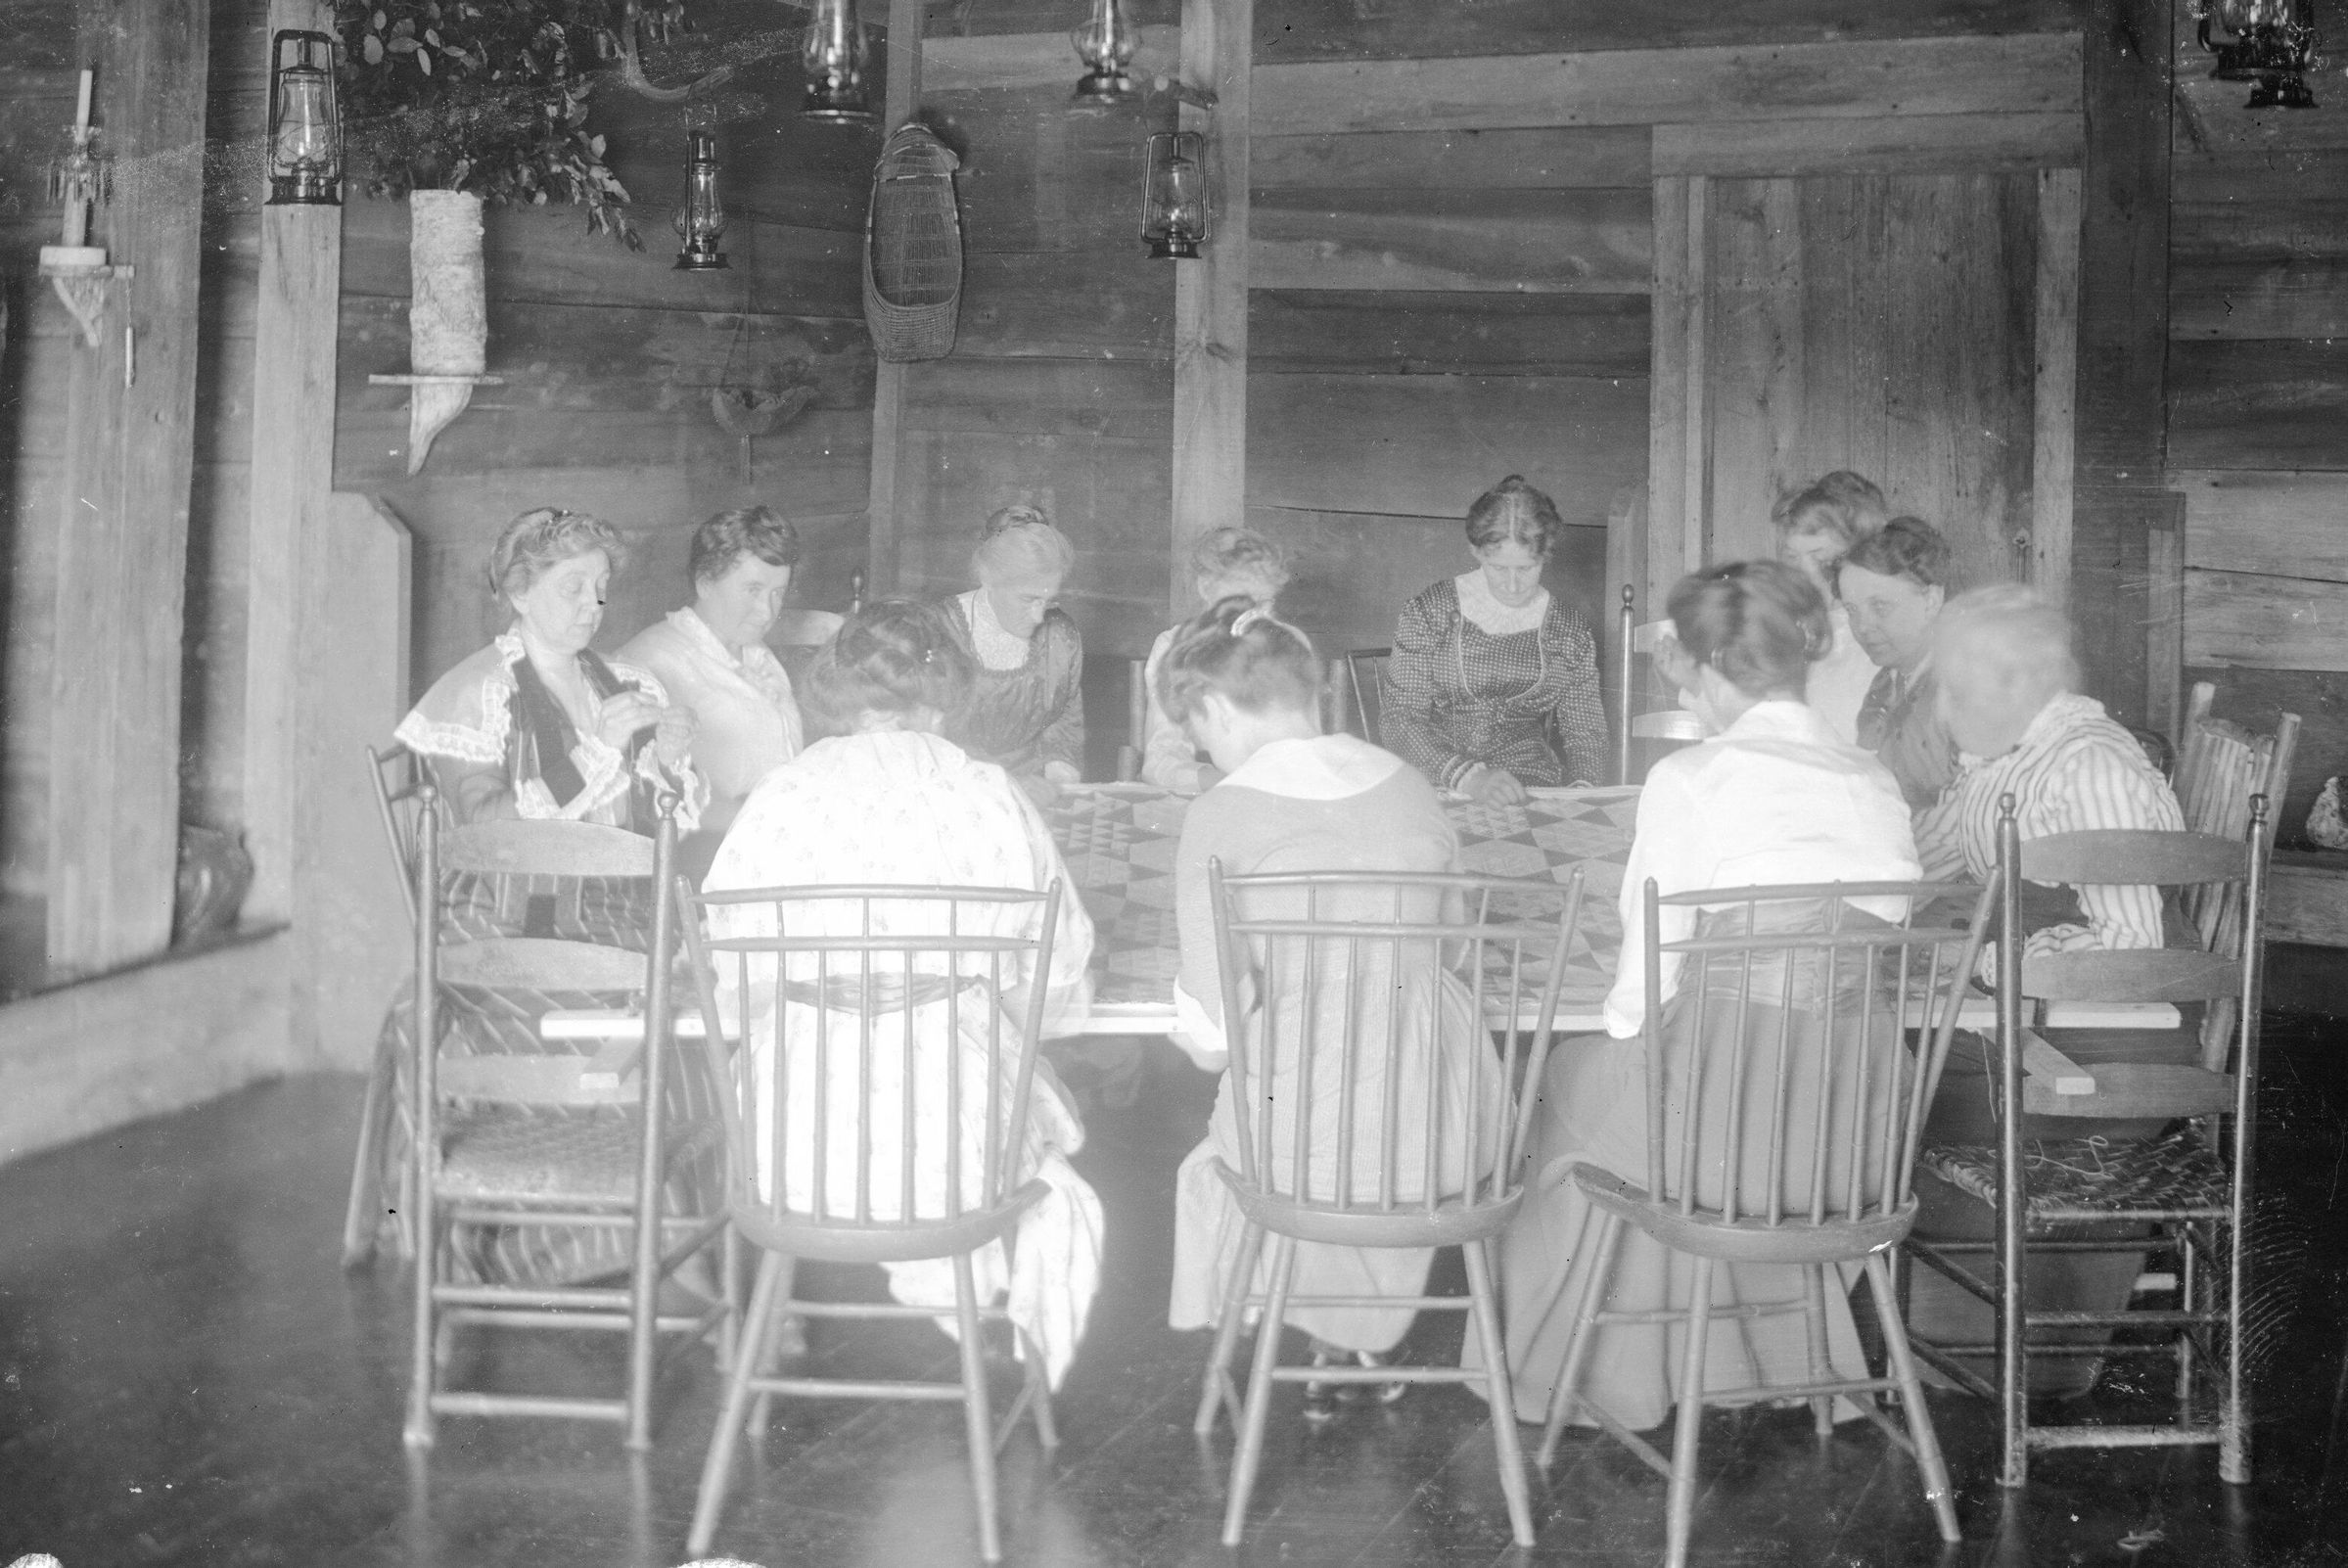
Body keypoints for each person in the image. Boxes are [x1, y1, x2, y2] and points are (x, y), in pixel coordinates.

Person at [1475, 561, 1919, 1430]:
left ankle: (1589, 1375)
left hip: (1712, 1135)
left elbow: (1641, 991)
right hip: (1847, 1137)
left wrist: (1624, 1026)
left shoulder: (1693, 777)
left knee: (1563, 1079)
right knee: (1665, 1098)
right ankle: (1757, 1359)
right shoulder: (1872, 779)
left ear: (1715, 666)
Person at [701, 597, 1103, 1388]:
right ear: (942, 693)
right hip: (956, 1164)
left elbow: (736, 984)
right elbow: (1058, 975)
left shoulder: (782, 794)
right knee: (1021, 1116)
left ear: (840, 693)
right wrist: (985, 1016)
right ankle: (984, 1318)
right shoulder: (986, 793)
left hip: (791, 1159)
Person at [1162, 598, 1506, 1411]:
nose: (1205, 750)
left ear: (1216, 706)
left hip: (1302, 1145)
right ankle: (1356, 1335)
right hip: (1446, 1130)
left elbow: (1212, 1036)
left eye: (1197, 729)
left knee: (1251, 1135)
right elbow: (1453, 948)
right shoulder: (1408, 783)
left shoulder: (1219, 811)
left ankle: (1319, 1324)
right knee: (1354, 1123)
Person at [361, 507, 712, 1285]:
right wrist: (598, 750)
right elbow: (489, 831)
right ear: (519, 593)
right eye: (571, 587)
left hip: (612, 910)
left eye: (600, 586)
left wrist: (669, 763)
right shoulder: (475, 692)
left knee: (701, 1007)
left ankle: (676, 1230)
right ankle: (575, 1244)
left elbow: (661, 822)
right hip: (504, 922)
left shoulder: (625, 682)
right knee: (622, 1021)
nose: (593, 605)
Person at [1906, 584, 2190, 1395]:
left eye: (1956, 688)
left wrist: (2000, 961)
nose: (1942, 708)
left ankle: (2001, 1364)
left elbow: (2132, 954)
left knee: (1899, 1088)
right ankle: (1954, 1347)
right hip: (2048, 1022)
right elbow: (1922, 859)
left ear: (2022, 682)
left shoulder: (2090, 766)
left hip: (2112, 1048)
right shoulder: (2007, 756)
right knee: (1894, 1068)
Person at [1382, 476, 1606, 806]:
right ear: (1477, 551)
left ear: (1546, 555)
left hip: (1528, 783)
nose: (1513, 586)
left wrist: (1581, 793)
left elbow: (1586, 732)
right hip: (1436, 777)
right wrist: (1469, 778)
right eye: (1499, 568)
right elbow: (1399, 718)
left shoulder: (1568, 630)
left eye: (1527, 568)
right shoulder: (1431, 611)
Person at [618, 505, 805, 839]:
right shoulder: (651, 661)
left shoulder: (758, 654)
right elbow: (643, 801)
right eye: (752, 590)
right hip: (706, 848)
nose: (767, 612)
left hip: (777, 837)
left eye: (778, 593)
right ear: (705, 584)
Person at [938, 506, 1085, 803]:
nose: (1039, 616)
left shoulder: (1061, 635)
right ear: (988, 579)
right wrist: (1003, 786)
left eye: (1048, 600)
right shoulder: (940, 629)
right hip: (954, 793)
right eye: (1027, 599)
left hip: (1038, 791)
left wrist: (1058, 780)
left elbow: (1064, 727)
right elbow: (926, 740)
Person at [1139, 528, 1291, 794]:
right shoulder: (1172, 649)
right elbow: (1162, 760)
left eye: (1265, 603)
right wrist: (1222, 782)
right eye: (1242, 601)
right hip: (1207, 791)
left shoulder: (1285, 645)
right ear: (1205, 587)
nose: (1254, 616)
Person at [1841, 516, 1959, 809]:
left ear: (1931, 601)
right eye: (1852, 610)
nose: (1862, 626)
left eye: (1880, 606)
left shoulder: (1964, 688)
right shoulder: (1883, 685)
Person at [1771, 471, 1889, 747]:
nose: (1805, 574)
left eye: (1820, 557)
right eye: (1792, 557)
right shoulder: (1791, 630)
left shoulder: (1874, 643)